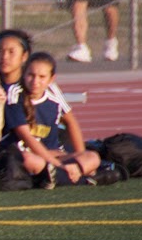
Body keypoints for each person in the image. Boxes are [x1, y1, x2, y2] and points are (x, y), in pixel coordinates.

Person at [5, 52, 99, 186]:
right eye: (31, 75)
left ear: (51, 79)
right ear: (24, 74)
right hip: (28, 155)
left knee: (92, 158)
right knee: (28, 160)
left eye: (42, 77)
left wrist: (79, 154)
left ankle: (55, 176)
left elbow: (70, 121)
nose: (35, 81)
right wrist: (60, 165)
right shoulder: (15, 93)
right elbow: (27, 137)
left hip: (52, 155)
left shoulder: (53, 93)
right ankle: (77, 177)